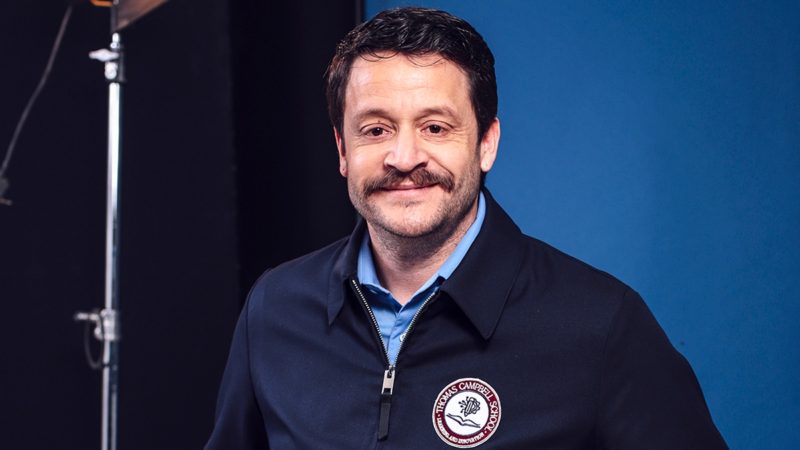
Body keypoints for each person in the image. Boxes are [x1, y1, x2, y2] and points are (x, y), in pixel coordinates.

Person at [206, 7, 727, 449]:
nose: (404, 157)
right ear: (343, 149)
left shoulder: (600, 326)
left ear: (486, 144)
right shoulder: (274, 311)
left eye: (435, 127)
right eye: (376, 129)